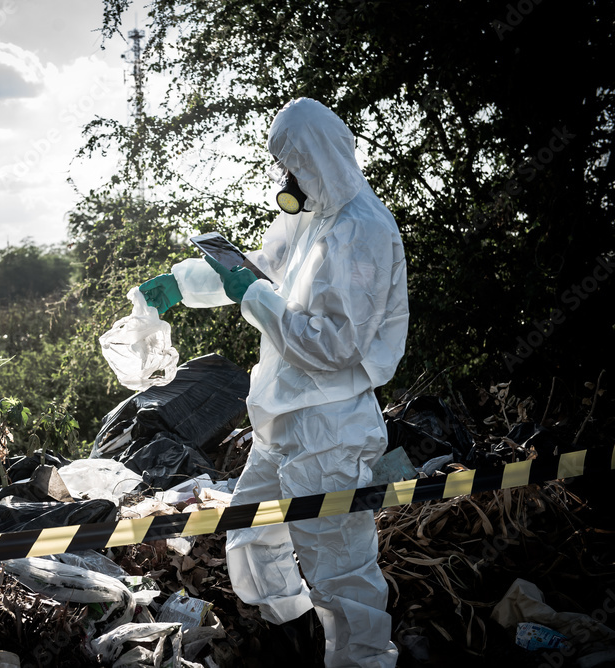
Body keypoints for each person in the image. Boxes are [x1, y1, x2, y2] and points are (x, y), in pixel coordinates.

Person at [139, 97, 409, 667]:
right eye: (282, 166)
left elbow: (334, 345)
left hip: (330, 428)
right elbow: (261, 268)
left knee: (341, 573)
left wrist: (256, 298)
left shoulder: (362, 229)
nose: (287, 179)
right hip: (282, 420)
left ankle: (362, 661)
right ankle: (299, 642)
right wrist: (184, 283)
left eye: (293, 166)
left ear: (318, 160)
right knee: (251, 538)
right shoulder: (310, 217)